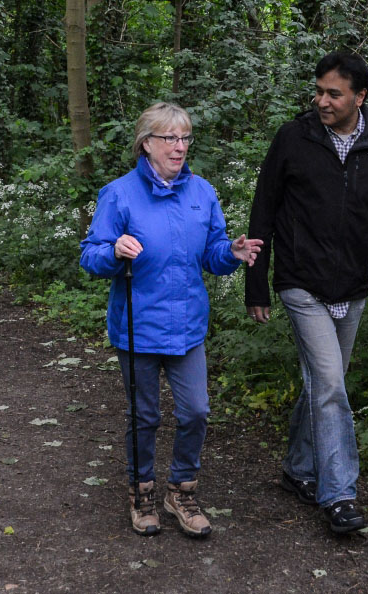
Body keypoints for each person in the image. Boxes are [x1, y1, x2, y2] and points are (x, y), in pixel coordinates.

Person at [244, 51, 368, 535]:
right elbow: (264, 209)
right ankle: (340, 494)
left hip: (352, 289)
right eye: (319, 91)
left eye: (333, 93)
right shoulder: (293, 138)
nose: (321, 100)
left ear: (360, 97)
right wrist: (256, 282)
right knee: (330, 386)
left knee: (324, 385)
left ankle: (297, 470)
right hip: (301, 284)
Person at [80, 102, 262, 538]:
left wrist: (231, 253)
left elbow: (212, 254)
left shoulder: (202, 192)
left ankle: (180, 491)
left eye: (185, 139)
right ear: (147, 144)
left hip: (187, 327)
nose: (180, 147)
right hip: (138, 328)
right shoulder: (119, 194)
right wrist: (113, 251)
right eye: (170, 139)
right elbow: (91, 255)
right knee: (144, 416)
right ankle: (141, 492)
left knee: (196, 411)